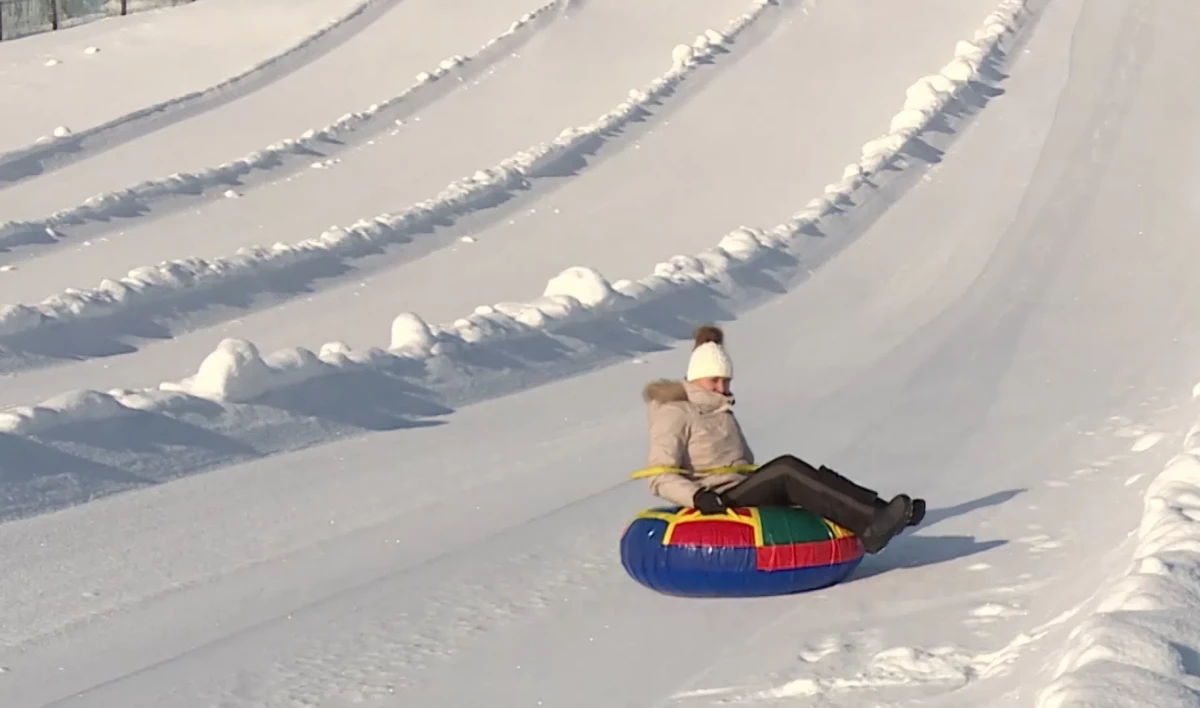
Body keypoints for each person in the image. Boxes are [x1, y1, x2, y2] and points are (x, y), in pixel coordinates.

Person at [637, 324, 925, 554]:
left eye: (726, 381)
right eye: (714, 381)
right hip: (715, 499)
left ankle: (880, 511)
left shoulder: (719, 409)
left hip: (737, 488)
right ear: (695, 378)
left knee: (810, 476)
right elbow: (659, 476)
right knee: (786, 470)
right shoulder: (674, 412)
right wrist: (697, 496)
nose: (722, 388)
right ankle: (871, 527)